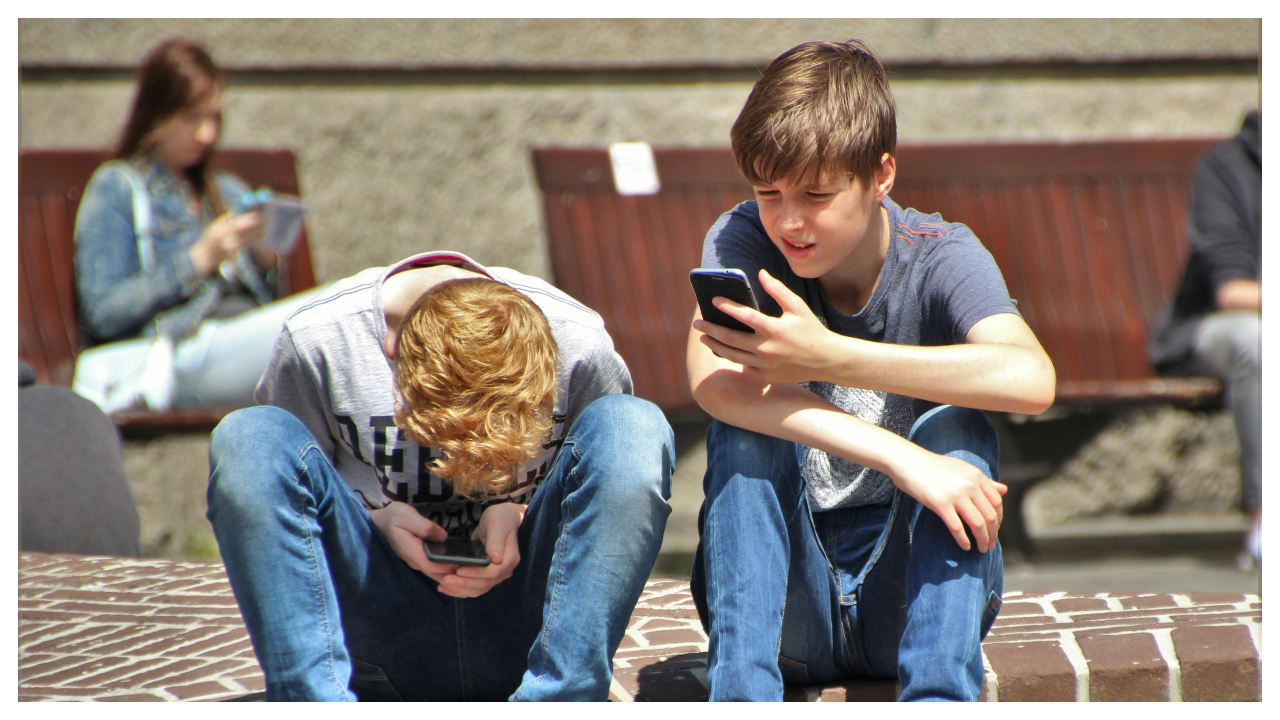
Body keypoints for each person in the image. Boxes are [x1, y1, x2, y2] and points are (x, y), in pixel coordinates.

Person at [685, 40, 1055, 701]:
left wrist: (830, 356)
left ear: (881, 176)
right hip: (787, 608)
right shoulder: (745, 239)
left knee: (958, 431)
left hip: (907, 600)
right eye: (768, 193)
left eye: (816, 194)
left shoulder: (939, 256)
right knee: (740, 431)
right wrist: (902, 458)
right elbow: (712, 384)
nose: (789, 220)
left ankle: (938, 700)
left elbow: (1031, 380)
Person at [206, 250, 674, 701]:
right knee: (250, 436)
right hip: (374, 623)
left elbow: (603, 487)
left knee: (632, 425)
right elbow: (287, 493)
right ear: (392, 354)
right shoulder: (321, 339)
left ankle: (562, 700)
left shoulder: (577, 340)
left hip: (534, 621)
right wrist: (376, 521)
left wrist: (519, 511)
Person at [72, 37, 316, 414]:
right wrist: (198, 259)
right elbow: (103, 313)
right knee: (312, 326)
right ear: (156, 114)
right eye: (192, 118)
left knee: (331, 313)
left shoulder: (227, 191)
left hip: (235, 343)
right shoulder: (119, 187)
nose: (207, 134)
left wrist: (264, 264)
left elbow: (261, 310)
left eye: (214, 118)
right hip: (174, 351)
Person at [1150, 112, 1261, 561]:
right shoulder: (1230, 166)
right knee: (1258, 340)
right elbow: (1233, 292)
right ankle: (1266, 516)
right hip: (1215, 328)